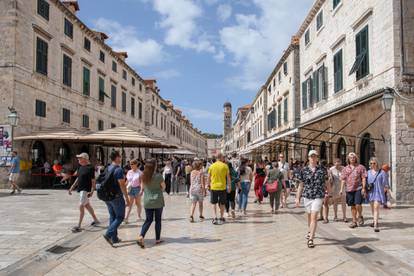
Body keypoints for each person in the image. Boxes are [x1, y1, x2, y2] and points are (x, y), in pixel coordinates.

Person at [295, 150, 329, 248]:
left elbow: (326, 183)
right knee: (310, 216)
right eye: (311, 156)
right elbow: (301, 185)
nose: (313, 158)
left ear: (317, 158)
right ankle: (310, 230)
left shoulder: (322, 169)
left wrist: (329, 194)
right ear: (308, 158)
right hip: (307, 196)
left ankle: (311, 239)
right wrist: (297, 198)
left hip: (319, 195)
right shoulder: (303, 170)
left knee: (314, 216)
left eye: (315, 156)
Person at [102, 151, 130, 246]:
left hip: (107, 196)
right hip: (116, 197)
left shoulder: (107, 168)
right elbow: (122, 185)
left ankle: (114, 238)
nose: (121, 158)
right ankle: (108, 234)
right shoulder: (118, 170)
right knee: (120, 217)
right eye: (120, 157)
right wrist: (126, 198)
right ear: (117, 158)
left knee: (113, 216)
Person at [137, 159, 166, 248]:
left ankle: (141, 236)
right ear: (154, 166)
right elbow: (164, 188)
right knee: (158, 220)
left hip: (147, 201)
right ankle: (157, 239)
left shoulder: (143, 176)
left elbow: (142, 188)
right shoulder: (159, 176)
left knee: (148, 220)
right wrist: (157, 190)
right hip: (158, 201)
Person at [68, 153, 100, 232]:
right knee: (87, 205)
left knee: (81, 205)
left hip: (86, 190)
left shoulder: (90, 168)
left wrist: (92, 190)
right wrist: (72, 187)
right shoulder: (80, 167)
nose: (78, 159)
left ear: (85, 159)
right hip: (81, 189)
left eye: (80, 158)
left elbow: (93, 181)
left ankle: (79, 225)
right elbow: (78, 178)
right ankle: (96, 220)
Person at [340, 152, 367, 229]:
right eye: (351, 157)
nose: (352, 159)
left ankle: (360, 215)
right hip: (349, 189)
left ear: (356, 158)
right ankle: (354, 221)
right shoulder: (345, 169)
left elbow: (364, 178)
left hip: (358, 188)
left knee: (358, 204)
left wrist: (364, 188)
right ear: (348, 159)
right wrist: (341, 189)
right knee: (352, 206)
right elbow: (343, 179)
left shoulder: (361, 167)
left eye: (354, 157)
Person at [367, 157, 389, 232]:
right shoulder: (368, 172)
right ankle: (374, 221)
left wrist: (386, 191)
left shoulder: (382, 172)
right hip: (371, 192)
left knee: (376, 207)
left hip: (379, 192)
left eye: (374, 163)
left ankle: (376, 225)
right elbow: (366, 182)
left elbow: (386, 183)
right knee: (373, 208)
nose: (373, 165)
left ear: (377, 163)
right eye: (371, 163)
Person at [208, 153, 231, 225]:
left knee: (214, 203)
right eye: (223, 157)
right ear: (221, 157)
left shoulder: (211, 166)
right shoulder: (225, 166)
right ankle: (221, 217)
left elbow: (209, 177)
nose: (224, 158)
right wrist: (229, 186)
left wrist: (208, 185)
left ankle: (215, 217)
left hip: (213, 187)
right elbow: (228, 178)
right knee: (222, 203)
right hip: (222, 187)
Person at [124, 159, 143, 224]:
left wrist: (141, 190)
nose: (131, 165)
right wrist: (123, 188)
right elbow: (127, 181)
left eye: (132, 164)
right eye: (130, 164)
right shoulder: (129, 172)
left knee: (138, 203)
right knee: (130, 204)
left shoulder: (140, 172)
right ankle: (126, 218)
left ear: (136, 164)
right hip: (130, 189)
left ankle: (139, 216)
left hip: (137, 189)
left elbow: (141, 182)